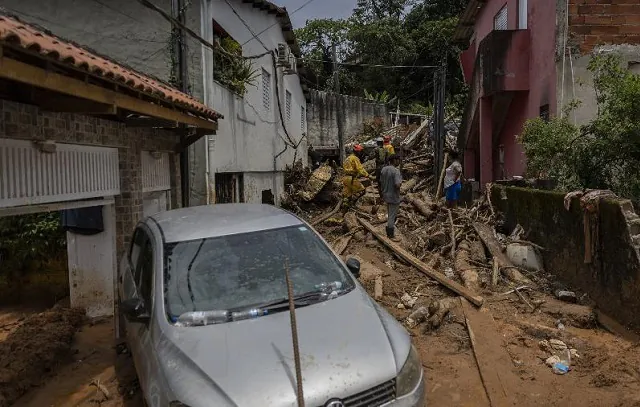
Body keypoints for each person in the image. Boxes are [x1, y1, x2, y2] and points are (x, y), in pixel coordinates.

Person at [380, 154, 402, 241]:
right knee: (392, 216)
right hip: (393, 196)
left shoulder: (384, 169)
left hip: (386, 195)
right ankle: (391, 235)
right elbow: (397, 184)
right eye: (398, 160)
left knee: (390, 214)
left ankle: (389, 230)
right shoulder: (396, 171)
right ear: (395, 160)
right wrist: (400, 184)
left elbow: (381, 182)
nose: (399, 162)